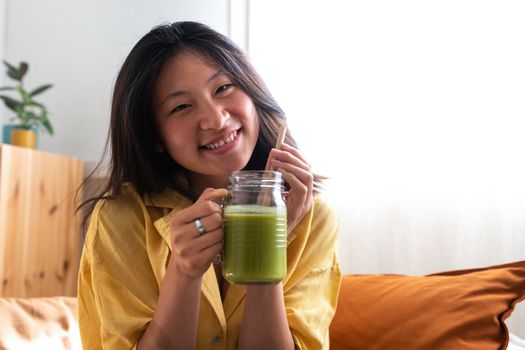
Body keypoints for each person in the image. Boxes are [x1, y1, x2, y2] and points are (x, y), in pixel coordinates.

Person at [77, 21, 341, 350]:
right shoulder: (120, 218)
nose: (216, 120)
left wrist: (268, 242)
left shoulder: (313, 217)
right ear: (154, 137)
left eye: (223, 88)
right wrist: (184, 272)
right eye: (182, 107)